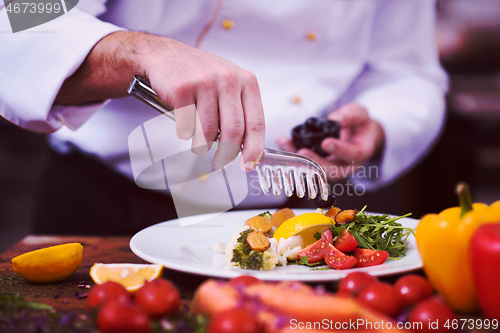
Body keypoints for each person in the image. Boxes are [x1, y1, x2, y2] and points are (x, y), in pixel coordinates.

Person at [0, 0, 447, 234]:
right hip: (107, 204)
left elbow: (406, 70)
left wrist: (383, 122)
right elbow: (17, 18)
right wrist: (135, 51)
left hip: (288, 213)